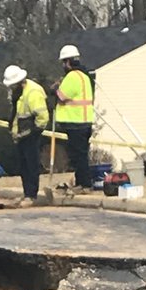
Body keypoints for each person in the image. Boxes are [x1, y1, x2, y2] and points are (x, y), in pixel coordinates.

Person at [3, 64, 49, 204]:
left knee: (31, 164)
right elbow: (17, 114)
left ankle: (31, 195)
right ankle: (26, 193)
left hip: (31, 134)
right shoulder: (19, 93)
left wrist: (35, 131)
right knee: (23, 165)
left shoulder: (32, 92)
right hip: (22, 134)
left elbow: (42, 116)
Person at [53, 43, 95, 189]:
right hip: (85, 121)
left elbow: (62, 96)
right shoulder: (84, 76)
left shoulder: (72, 77)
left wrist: (56, 88)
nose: (63, 65)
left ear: (68, 61)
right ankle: (81, 183)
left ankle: (84, 184)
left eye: (64, 62)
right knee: (81, 155)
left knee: (78, 156)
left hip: (75, 122)